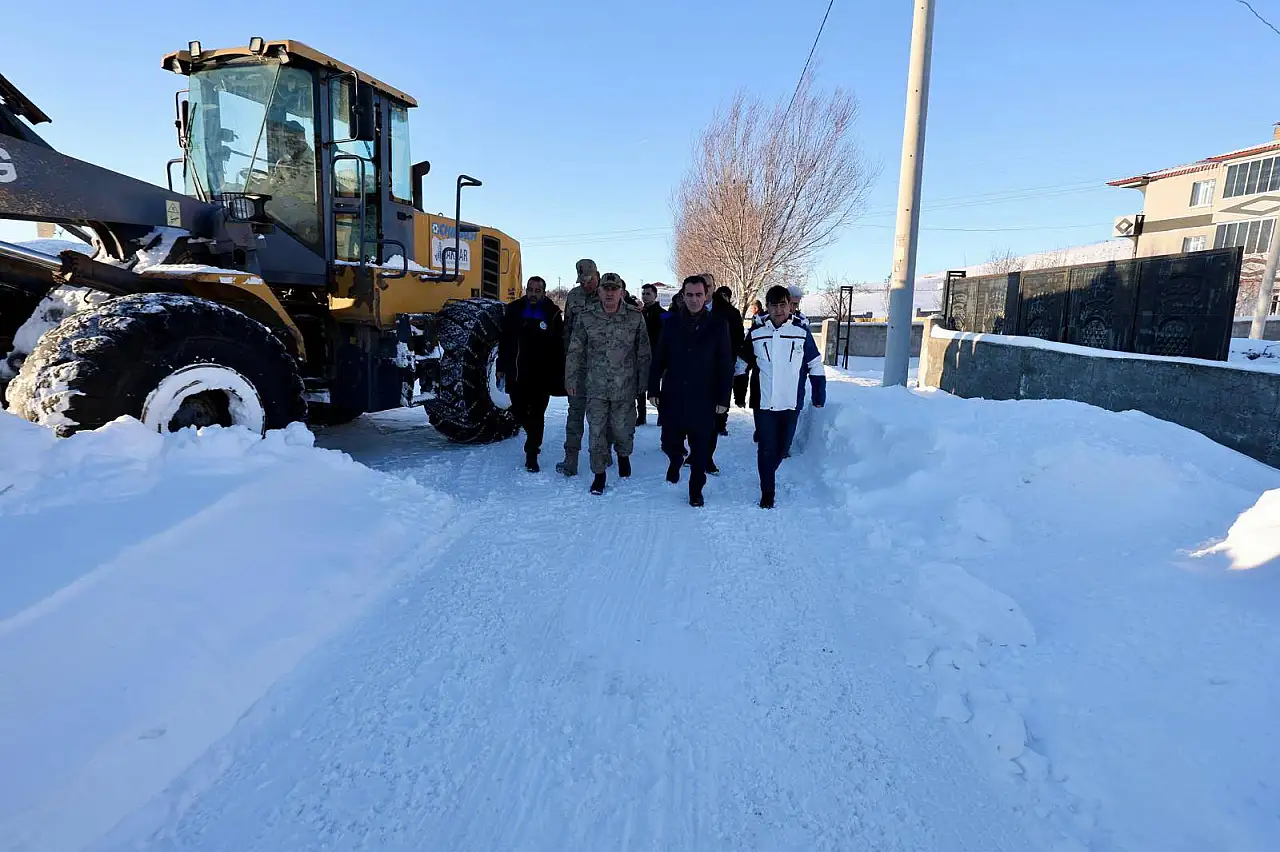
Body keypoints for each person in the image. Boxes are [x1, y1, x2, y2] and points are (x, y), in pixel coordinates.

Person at [736, 284, 826, 509]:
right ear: (767, 307)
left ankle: (768, 472)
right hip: (764, 402)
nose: (779, 310)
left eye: (783, 305)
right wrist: (736, 389)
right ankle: (768, 491)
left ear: (790, 306)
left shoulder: (800, 332)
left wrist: (818, 392)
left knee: (782, 447)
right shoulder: (757, 332)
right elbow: (741, 363)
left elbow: (814, 363)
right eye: (774, 305)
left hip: (790, 400)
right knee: (766, 447)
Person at [648, 275, 733, 507]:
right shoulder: (671, 324)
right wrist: (653, 387)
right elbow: (659, 359)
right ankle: (675, 459)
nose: (694, 300)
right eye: (689, 295)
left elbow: (726, 364)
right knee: (669, 442)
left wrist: (723, 398)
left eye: (698, 295)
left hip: (704, 398)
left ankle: (696, 489)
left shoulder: (718, 325)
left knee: (701, 448)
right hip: (673, 396)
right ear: (682, 296)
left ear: (706, 296)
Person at [564, 272, 651, 495]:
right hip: (595, 387)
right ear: (600, 292)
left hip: (625, 386)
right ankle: (599, 474)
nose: (610, 293)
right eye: (606, 289)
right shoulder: (587, 317)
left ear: (622, 291)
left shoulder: (634, 317)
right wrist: (571, 378)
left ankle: (623, 455)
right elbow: (575, 350)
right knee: (596, 432)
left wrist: (644, 382)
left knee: (622, 430)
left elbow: (643, 352)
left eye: (615, 289)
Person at [497, 275, 564, 472]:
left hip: (541, 376)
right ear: (526, 290)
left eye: (537, 291)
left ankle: (532, 453)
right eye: (530, 290)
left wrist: (559, 372)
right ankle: (531, 438)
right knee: (518, 411)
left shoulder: (551, 313)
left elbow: (559, 346)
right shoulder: (514, 309)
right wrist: (501, 366)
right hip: (517, 373)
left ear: (544, 292)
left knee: (537, 415)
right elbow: (504, 340)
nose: (533, 294)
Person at [556, 258, 601, 477]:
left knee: (602, 414)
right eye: (581, 280)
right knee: (575, 413)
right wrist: (567, 361)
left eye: (588, 280)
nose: (585, 284)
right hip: (579, 365)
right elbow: (567, 329)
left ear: (597, 274)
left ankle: (603, 453)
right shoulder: (573, 296)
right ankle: (570, 458)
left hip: (604, 367)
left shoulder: (609, 292)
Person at [710, 285, 744, 438]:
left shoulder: (714, 310)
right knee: (723, 390)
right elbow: (739, 336)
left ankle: (715, 422)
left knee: (715, 390)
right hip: (726, 357)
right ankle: (719, 423)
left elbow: (739, 335)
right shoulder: (730, 311)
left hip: (716, 357)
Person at [637, 283, 666, 426]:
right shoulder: (638, 313)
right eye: (643, 293)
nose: (645, 296)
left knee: (658, 385)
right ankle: (641, 415)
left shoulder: (662, 314)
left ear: (655, 295)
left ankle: (662, 415)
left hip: (656, 354)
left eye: (648, 293)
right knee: (640, 385)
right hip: (640, 355)